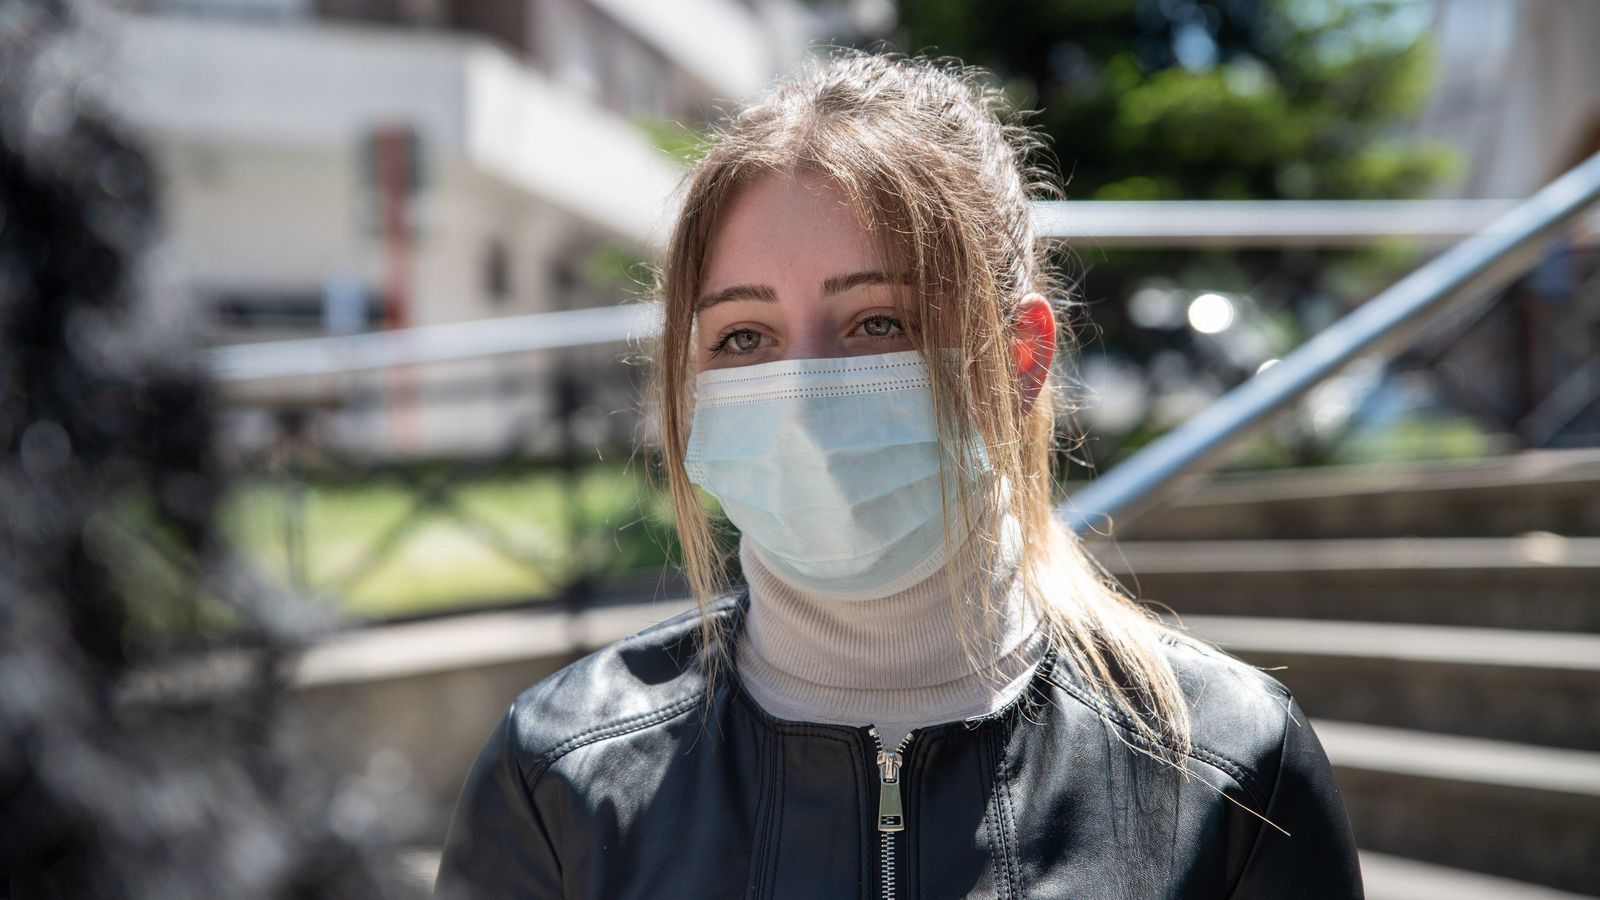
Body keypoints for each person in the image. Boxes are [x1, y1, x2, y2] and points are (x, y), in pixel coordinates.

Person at [435, 51, 1362, 899]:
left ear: (1020, 357)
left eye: (879, 322)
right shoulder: (559, 780)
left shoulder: (1233, 771)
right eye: (743, 337)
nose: (798, 396)